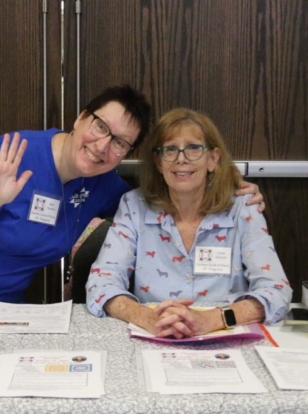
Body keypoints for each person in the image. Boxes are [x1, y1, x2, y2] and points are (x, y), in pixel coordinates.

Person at [0, 86, 263, 304]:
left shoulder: (104, 185)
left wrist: (229, 189)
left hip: (0, 308)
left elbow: (166, 196)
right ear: (81, 117)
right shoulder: (15, 152)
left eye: (119, 143)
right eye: (100, 127)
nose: (102, 146)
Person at [85, 108, 291, 338]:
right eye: (170, 149)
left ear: (212, 159)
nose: (181, 159)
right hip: (155, 336)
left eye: (193, 148)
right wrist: (146, 318)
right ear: (159, 162)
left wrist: (212, 320)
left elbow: (277, 291)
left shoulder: (243, 208)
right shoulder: (134, 206)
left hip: (224, 335)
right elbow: (101, 283)